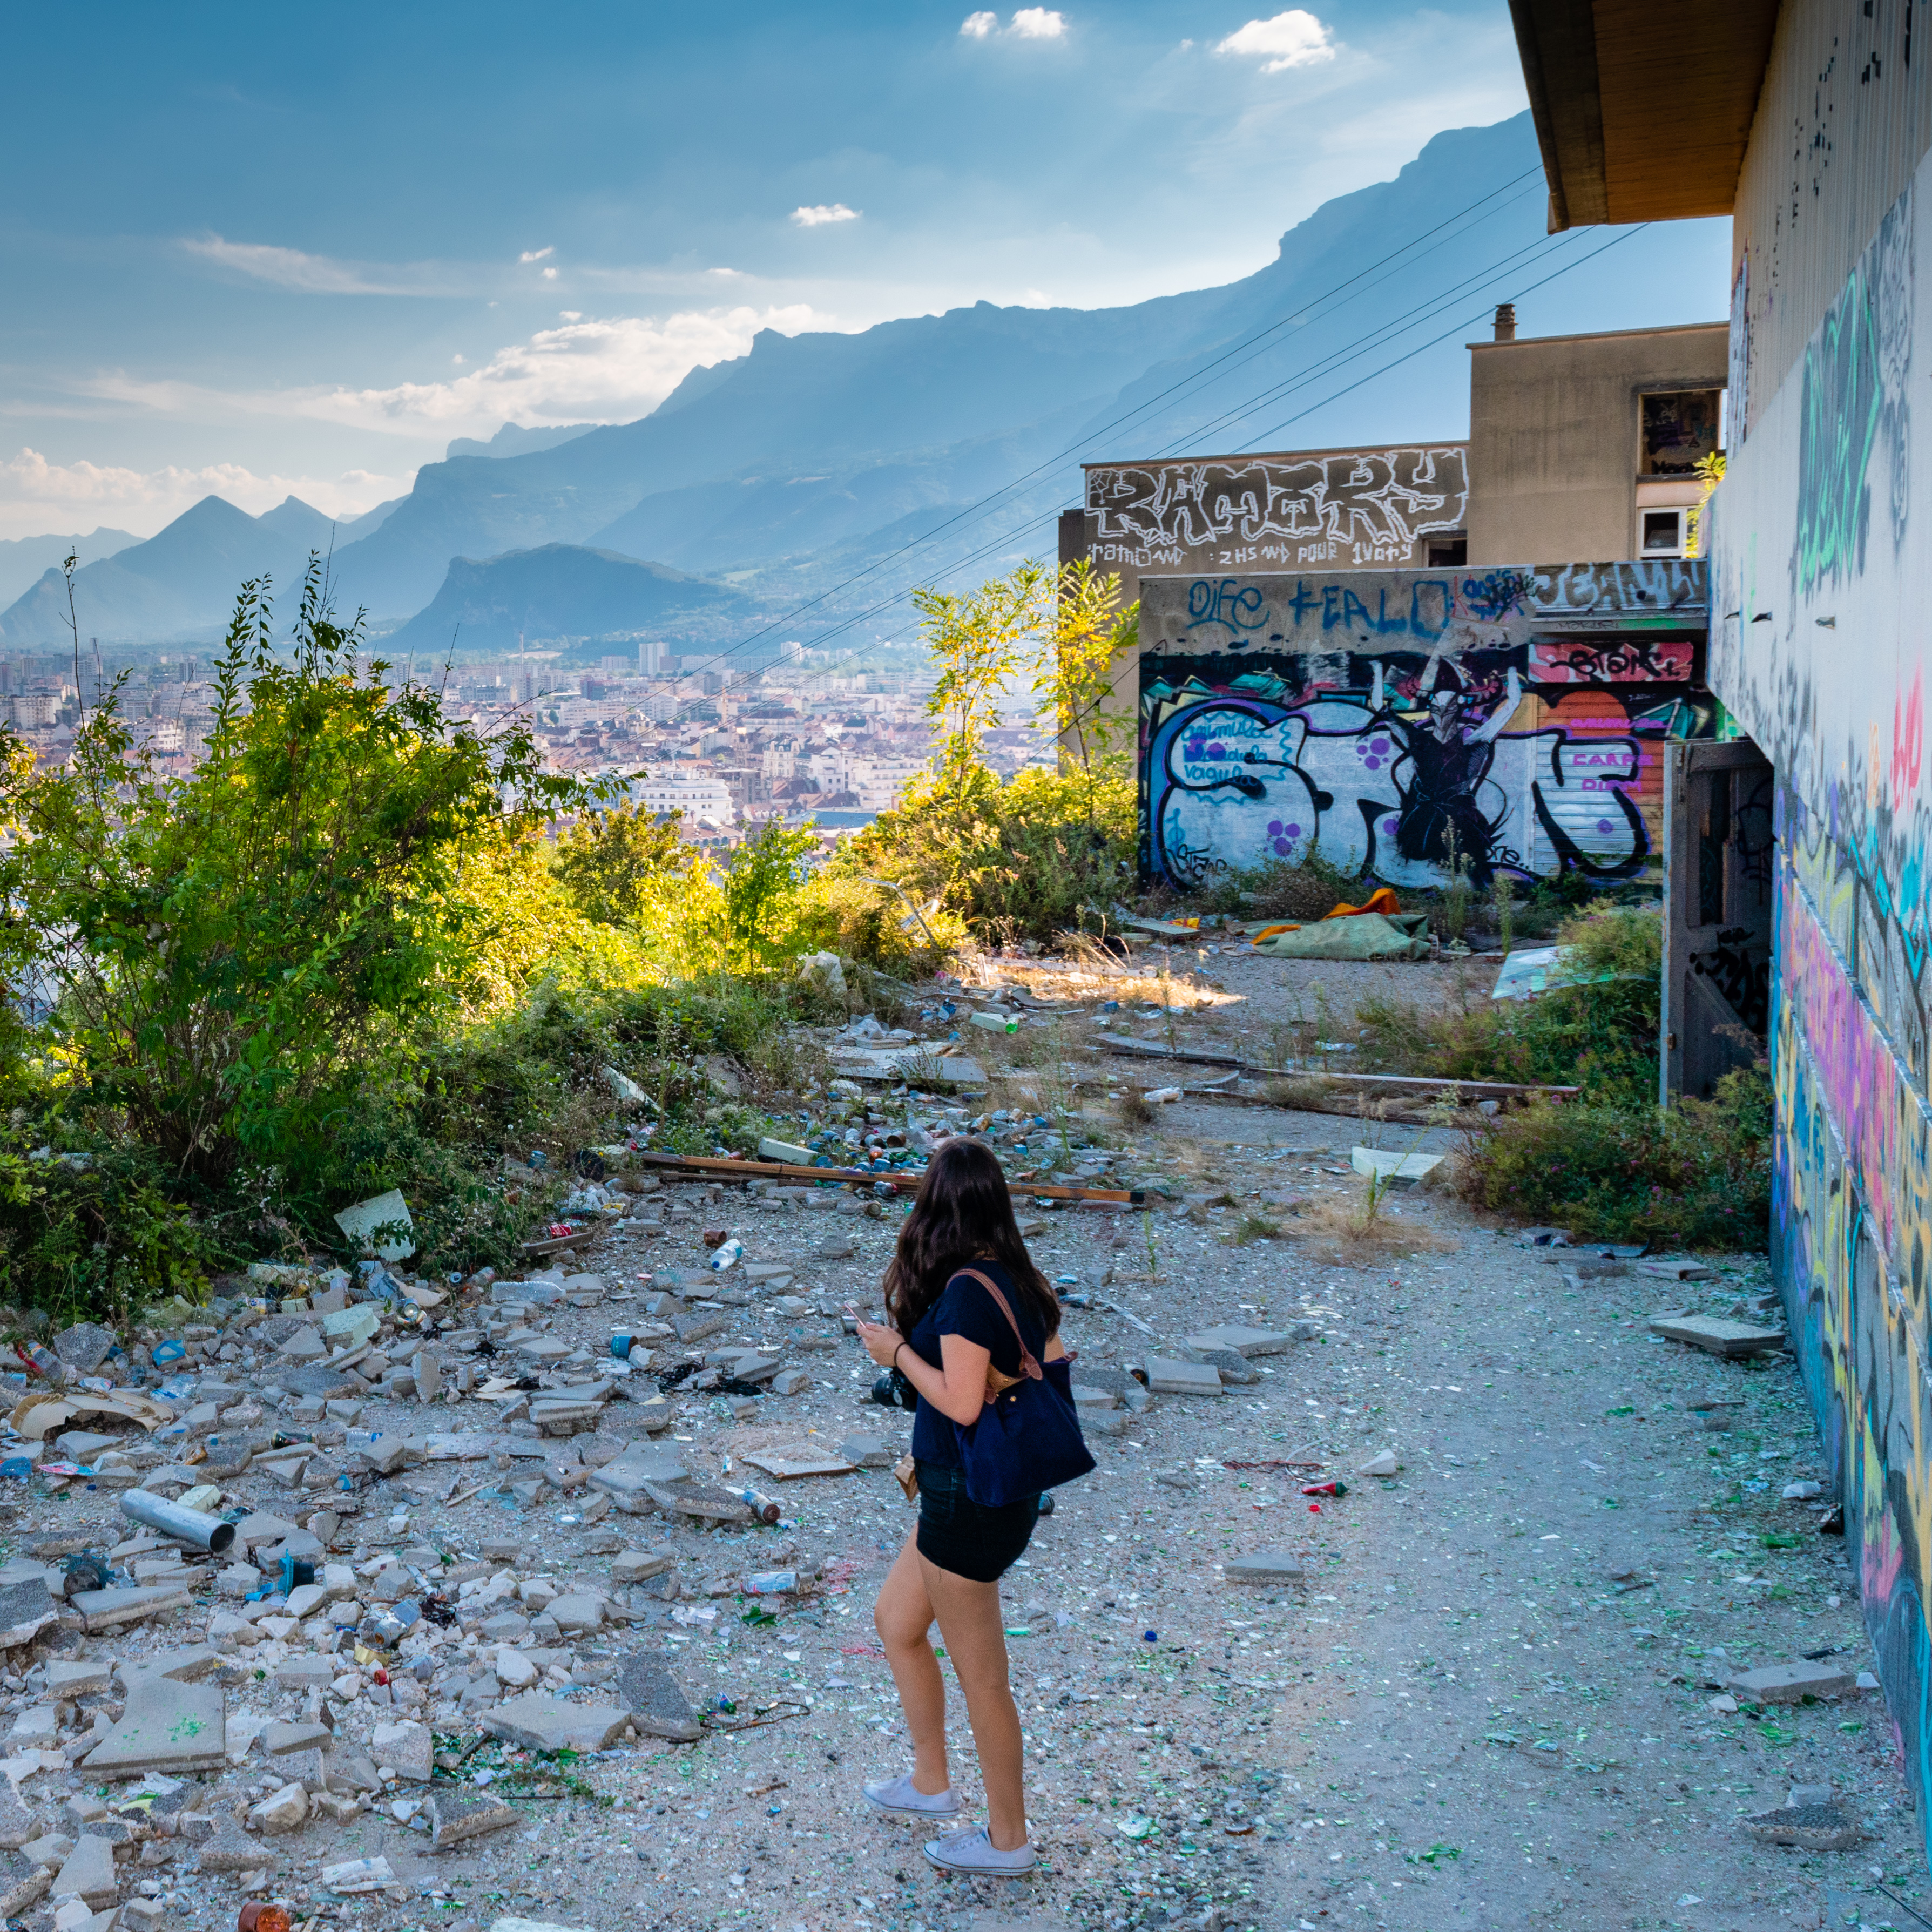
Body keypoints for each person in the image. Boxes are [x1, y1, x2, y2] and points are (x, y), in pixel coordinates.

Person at [854, 1137, 1068, 1876]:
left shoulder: (967, 1294)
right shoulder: (1018, 1278)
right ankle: (928, 1783)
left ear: (934, 1205)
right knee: (895, 1621)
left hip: (966, 1501)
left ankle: (1008, 1841)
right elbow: (1054, 1360)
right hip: (979, 1493)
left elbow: (960, 1402)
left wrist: (895, 1354)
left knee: (985, 1678)